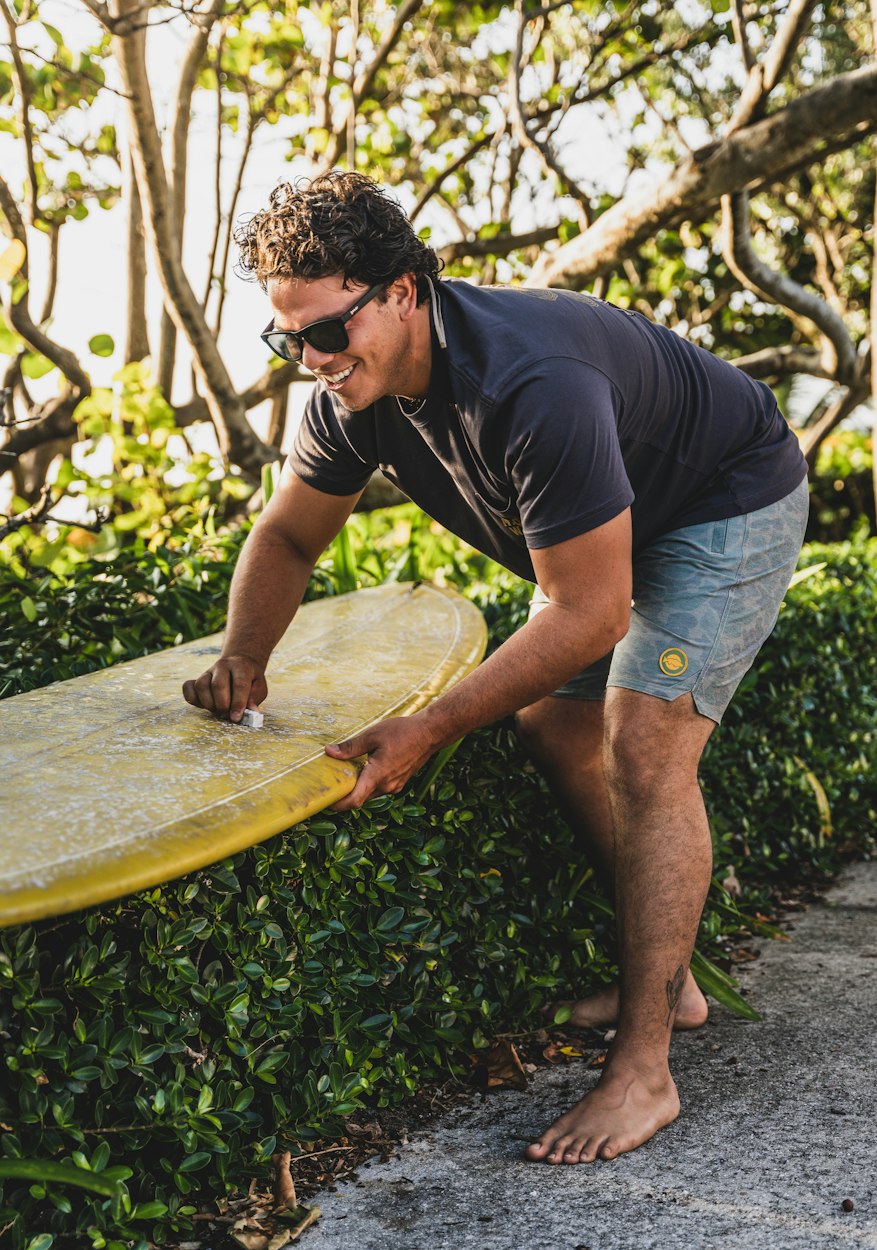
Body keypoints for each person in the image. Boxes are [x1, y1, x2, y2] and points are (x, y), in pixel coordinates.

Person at [182, 171, 809, 1166]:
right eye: (286, 337)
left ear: (401, 289)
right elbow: (290, 536)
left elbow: (590, 608)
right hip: (613, 518)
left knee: (646, 748)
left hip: (720, 498)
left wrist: (430, 725)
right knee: (555, 724)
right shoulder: (350, 394)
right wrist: (241, 660)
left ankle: (645, 1066)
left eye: (327, 330)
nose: (310, 359)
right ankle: (672, 983)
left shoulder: (532, 382)